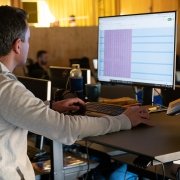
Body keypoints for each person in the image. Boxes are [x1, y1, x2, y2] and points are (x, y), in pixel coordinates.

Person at [0, 6, 150, 180]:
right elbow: (66, 129)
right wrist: (123, 120)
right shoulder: (7, 88)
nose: (29, 45)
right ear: (18, 46)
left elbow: (12, 108)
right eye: (28, 40)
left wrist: (50, 107)